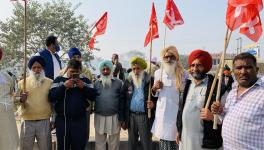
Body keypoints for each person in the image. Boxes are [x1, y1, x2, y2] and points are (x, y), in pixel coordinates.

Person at [212, 52, 264, 150]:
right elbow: (229, 116)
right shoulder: (232, 91)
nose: (243, 71)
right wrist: (221, 111)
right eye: (239, 68)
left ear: (256, 70)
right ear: (233, 71)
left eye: (248, 67)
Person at [176, 49, 224, 150]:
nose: (195, 68)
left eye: (199, 65)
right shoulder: (187, 84)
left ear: (205, 66)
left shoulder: (216, 86)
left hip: (204, 142)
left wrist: (213, 117)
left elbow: (227, 115)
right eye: (192, 65)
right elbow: (181, 110)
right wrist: (179, 131)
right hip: (185, 139)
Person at [48, 59, 96, 150]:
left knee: (79, 146)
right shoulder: (59, 80)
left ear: (80, 70)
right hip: (63, 121)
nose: (74, 74)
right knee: (62, 146)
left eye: (76, 72)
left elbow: (93, 96)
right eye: (72, 71)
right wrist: (64, 86)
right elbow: (51, 97)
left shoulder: (85, 80)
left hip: (80, 121)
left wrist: (83, 87)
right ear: (67, 69)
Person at [151, 46, 187, 150]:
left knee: (179, 143)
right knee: (164, 144)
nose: (169, 59)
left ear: (177, 58)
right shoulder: (158, 73)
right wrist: (154, 89)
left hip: (177, 115)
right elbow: (155, 94)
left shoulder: (184, 74)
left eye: (172, 57)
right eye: (166, 57)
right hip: (163, 116)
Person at [18, 56, 53, 150]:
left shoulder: (50, 83)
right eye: (34, 67)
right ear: (31, 69)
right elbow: (16, 101)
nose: (36, 70)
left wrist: (53, 118)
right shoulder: (22, 83)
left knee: (46, 148)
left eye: (39, 67)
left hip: (44, 121)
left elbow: (53, 103)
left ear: (43, 68)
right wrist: (22, 100)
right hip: (27, 121)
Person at [122, 57, 156, 150]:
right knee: (132, 143)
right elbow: (123, 99)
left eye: (138, 68)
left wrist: (153, 105)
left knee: (146, 142)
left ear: (143, 68)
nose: (136, 71)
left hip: (144, 116)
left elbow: (157, 98)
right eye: (133, 69)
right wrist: (124, 119)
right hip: (131, 116)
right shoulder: (128, 80)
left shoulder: (150, 80)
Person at [94, 60, 125, 150]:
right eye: (103, 69)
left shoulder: (119, 83)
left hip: (114, 117)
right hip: (99, 116)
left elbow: (122, 101)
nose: (105, 71)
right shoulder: (96, 83)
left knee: (114, 143)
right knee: (99, 143)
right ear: (100, 70)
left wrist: (122, 118)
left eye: (107, 69)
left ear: (111, 70)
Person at [0, 48, 19, 150]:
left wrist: (18, 98)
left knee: (7, 143)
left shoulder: (7, 76)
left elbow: (13, 93)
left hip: (6, 115)